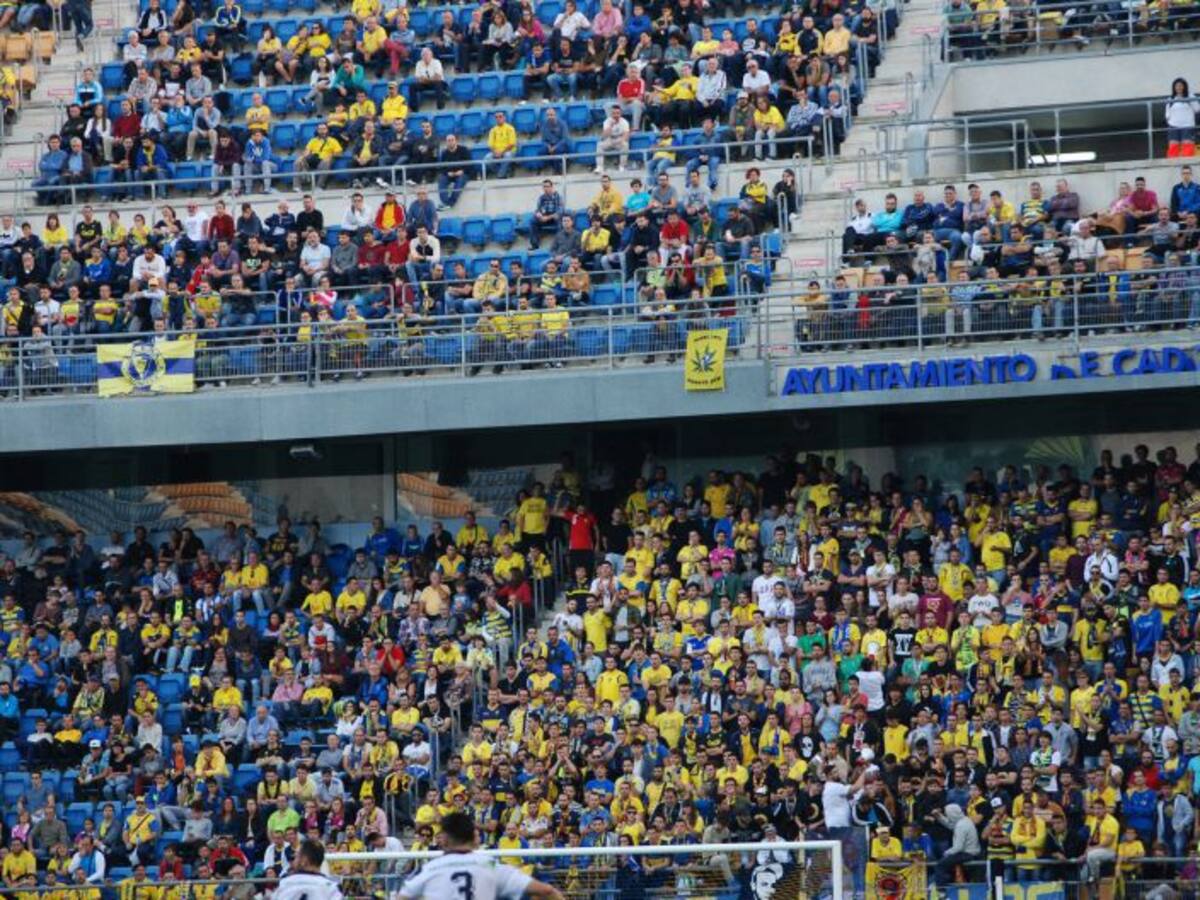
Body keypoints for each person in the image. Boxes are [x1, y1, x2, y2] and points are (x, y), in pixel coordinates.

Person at [397, 812, 564, 899]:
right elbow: (548, 891)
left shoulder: (428, 869)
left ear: (444, 839)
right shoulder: (492, 866)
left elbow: (403, 897)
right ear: (473, 837)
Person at [271, 839, 343, 900]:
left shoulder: (285, 883)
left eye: (297, 856)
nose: (294, 861)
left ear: (304, 860)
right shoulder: (331, 888)